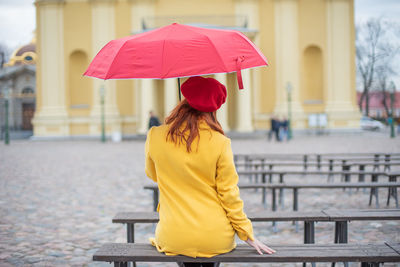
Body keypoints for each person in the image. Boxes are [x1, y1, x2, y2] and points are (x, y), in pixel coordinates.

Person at [145, 76, 275, 267]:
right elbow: (229, 194)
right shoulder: (220, 143)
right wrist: (247, 234)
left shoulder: (155, 135)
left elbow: (153, 174)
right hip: (215, 236)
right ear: (215, 108)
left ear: (185, 101)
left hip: (174, 235)